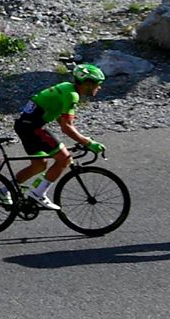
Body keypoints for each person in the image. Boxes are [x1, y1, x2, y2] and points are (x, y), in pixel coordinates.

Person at [6, 65, 105, 211]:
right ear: (88, 84)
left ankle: (5, 190)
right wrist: (88, 142)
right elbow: (66, 127)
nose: (99, 88)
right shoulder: (72, 95)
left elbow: (59, 116)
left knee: (39, 165)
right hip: (33, 127)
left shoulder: (67, 87)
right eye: (98, 84)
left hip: (25, 125)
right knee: (64, 158)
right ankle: (37, 193)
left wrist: (80, 138)